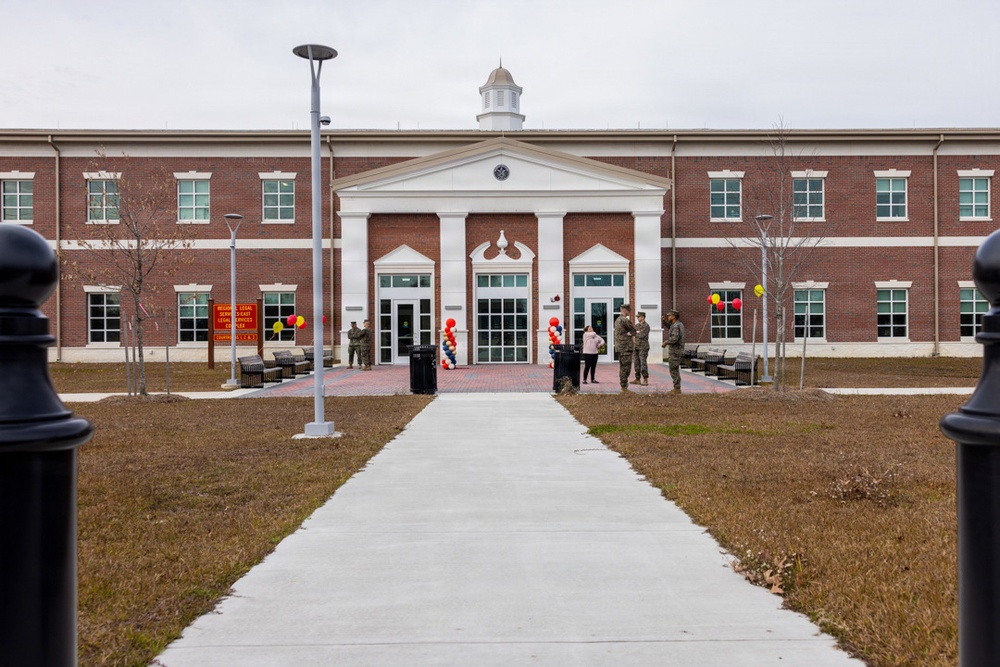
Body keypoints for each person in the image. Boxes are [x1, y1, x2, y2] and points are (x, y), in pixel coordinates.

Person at [661, 309, 686, 393]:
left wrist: (666, 342)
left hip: (676, 351)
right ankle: (676, 387)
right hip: (677, 351)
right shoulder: (677, 324)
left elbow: (675, 338)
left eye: (669, 316)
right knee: (674, 369)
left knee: (673, 369)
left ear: (674, 316)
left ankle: (677, 388)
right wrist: (664, 321)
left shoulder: (676, 326)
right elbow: (669, 327)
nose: (668, 317)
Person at [614, 303, 636, 392]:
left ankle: (623, 386)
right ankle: (624, 387)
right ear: (625, 310)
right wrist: (630, 333)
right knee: (626, 368)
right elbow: (633, 330)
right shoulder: (624, 320)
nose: (629, 312)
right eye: (628, 311)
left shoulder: (617, 319)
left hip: (621, 347)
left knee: (623, 367)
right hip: (626, 347)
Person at [633, 311, 650, 386]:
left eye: (639, 317)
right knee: (636, 363)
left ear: (643, 317)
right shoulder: (636, 325)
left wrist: (636, 333)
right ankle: (637, 379)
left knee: (643, 363)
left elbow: (642, 335)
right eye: (637, 317)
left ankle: (645, 379)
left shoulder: (646, 326)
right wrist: (637, 333)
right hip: (636, 346)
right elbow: (632, 333)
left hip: (643, 347)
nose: (638, 318)